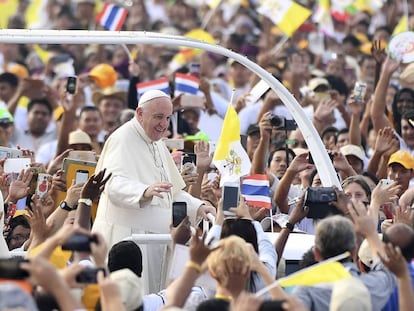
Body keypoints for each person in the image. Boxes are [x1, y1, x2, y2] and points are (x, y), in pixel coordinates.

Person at [92, 89, 215, 293]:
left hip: (155, 236)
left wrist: (197, 206)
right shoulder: (122, 139)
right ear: (140, 114)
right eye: (158, 117)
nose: (164, 124)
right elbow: (112, 184)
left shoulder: (157, 143)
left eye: (167, 118)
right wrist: (143, 191)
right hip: (128, 237)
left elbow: (172, 191)